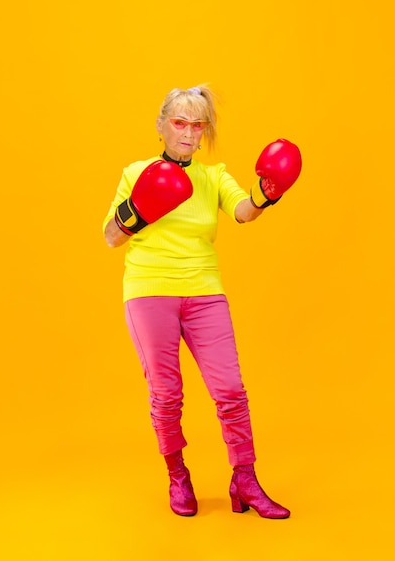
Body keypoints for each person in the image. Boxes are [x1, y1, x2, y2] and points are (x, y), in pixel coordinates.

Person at [102, 85, 302, 518]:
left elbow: (244, 211)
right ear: (161, 125)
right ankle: (178, 476)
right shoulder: (136, 171)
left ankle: (244, 480)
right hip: (149, 289)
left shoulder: (213, 176)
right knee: (166, 394)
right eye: (180, 122)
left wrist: (268, 191)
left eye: (198, 125)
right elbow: (110, 237)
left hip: (204, 290)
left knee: (230, 389)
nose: (189, 133)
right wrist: (140, 206)